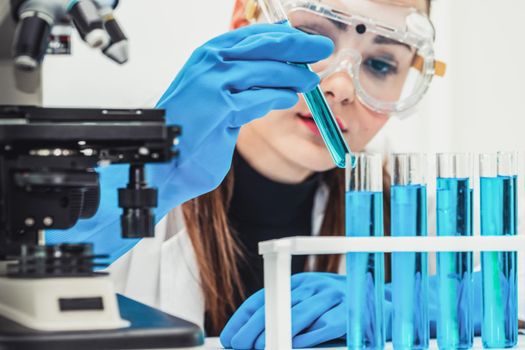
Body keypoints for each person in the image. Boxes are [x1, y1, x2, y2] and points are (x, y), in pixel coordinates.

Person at [46, 0, 471, 348]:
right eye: (313, 40)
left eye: (380, 65)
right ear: (243, 23)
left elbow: (486, 297)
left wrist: (403, 305)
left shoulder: (402, 206)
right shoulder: (112, 169)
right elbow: (26, 275)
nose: (340, 87)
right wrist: (155, 171)